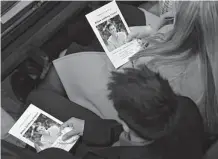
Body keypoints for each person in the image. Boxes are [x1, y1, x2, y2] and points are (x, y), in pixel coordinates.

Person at [51, 1, 218, 136]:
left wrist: (143, 46)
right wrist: (151, 31)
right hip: (162, 60)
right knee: (126, 12)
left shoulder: (167, 71)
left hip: (136, 98)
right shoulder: (207, 37)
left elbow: (129, 85)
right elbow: (182, 31)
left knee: (66, 60)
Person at [25, 65, 203, 159]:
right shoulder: (185, 107)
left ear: (126, 125)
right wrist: (87, 128)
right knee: (38, 99)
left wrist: (49, 155)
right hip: (117, 148)